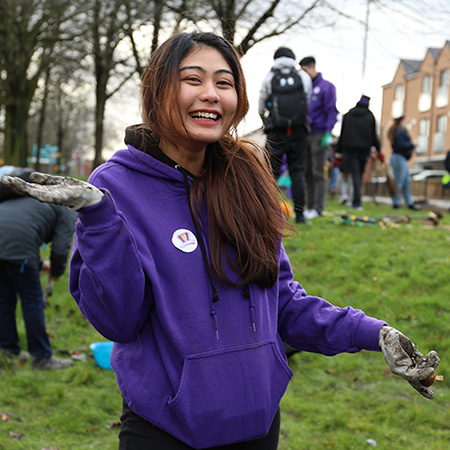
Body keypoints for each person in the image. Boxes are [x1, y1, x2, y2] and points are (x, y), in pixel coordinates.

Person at [3, 32, 440, 450]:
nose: (211, 94)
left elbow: (282, 303)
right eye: (192, 79)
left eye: (224, 83)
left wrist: (373, 332)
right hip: (165, 428)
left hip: (257, 423)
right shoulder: (115, 185)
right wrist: (98, 218)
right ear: (158, 92)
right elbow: (118, 321)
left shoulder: (247, 178)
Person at [0, 168, 77, 369]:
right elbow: (61, 248)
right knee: (32, 301)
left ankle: (8, 349)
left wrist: (40, 264)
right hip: (19, 247)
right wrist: (56, 272)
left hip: (9, 244)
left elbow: (21, 229)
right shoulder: (65, 209)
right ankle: (41, 357)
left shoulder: (29, 198)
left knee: (4, 299)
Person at [258, 47, 312, 224]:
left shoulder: (270, 77)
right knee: (297, 172)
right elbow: (307, 98)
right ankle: (300, 215)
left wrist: (265, 120)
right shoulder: (302, 77)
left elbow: (261, 103)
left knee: (270, 173)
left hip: (276, 130)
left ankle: (267, 213)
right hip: (298, 131)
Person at [299, 56, 338, 219]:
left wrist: (328, 132)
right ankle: (309, 207)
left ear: (313, 67)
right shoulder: (304, 88)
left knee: (318, 171)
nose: (304, 74)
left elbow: (331, 111)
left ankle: (318, 207)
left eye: (306, 70)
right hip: (305, 134)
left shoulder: (326, 87)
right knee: (307, 171)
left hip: (320, 133)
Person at [336, 95, 381, 210]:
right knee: (358, 175)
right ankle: (356, 201)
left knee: (354, 174)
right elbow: (373, 135)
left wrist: (338, 151)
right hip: (363, 150)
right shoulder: (370, 116)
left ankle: (353, 199)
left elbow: (343, 134)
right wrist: (378, 149)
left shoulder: (348, 115)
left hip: (349, 149)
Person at [387, 115, 421, 210]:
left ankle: (409, 203)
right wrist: (412, 144)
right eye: (406, 121)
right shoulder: (398, 131)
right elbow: (401, 145)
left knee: (406, 181)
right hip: (398, 158)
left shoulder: (403, 131)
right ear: (401, 121)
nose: (408, 123)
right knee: (399, 181)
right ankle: (396, 202)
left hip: (403, 159)